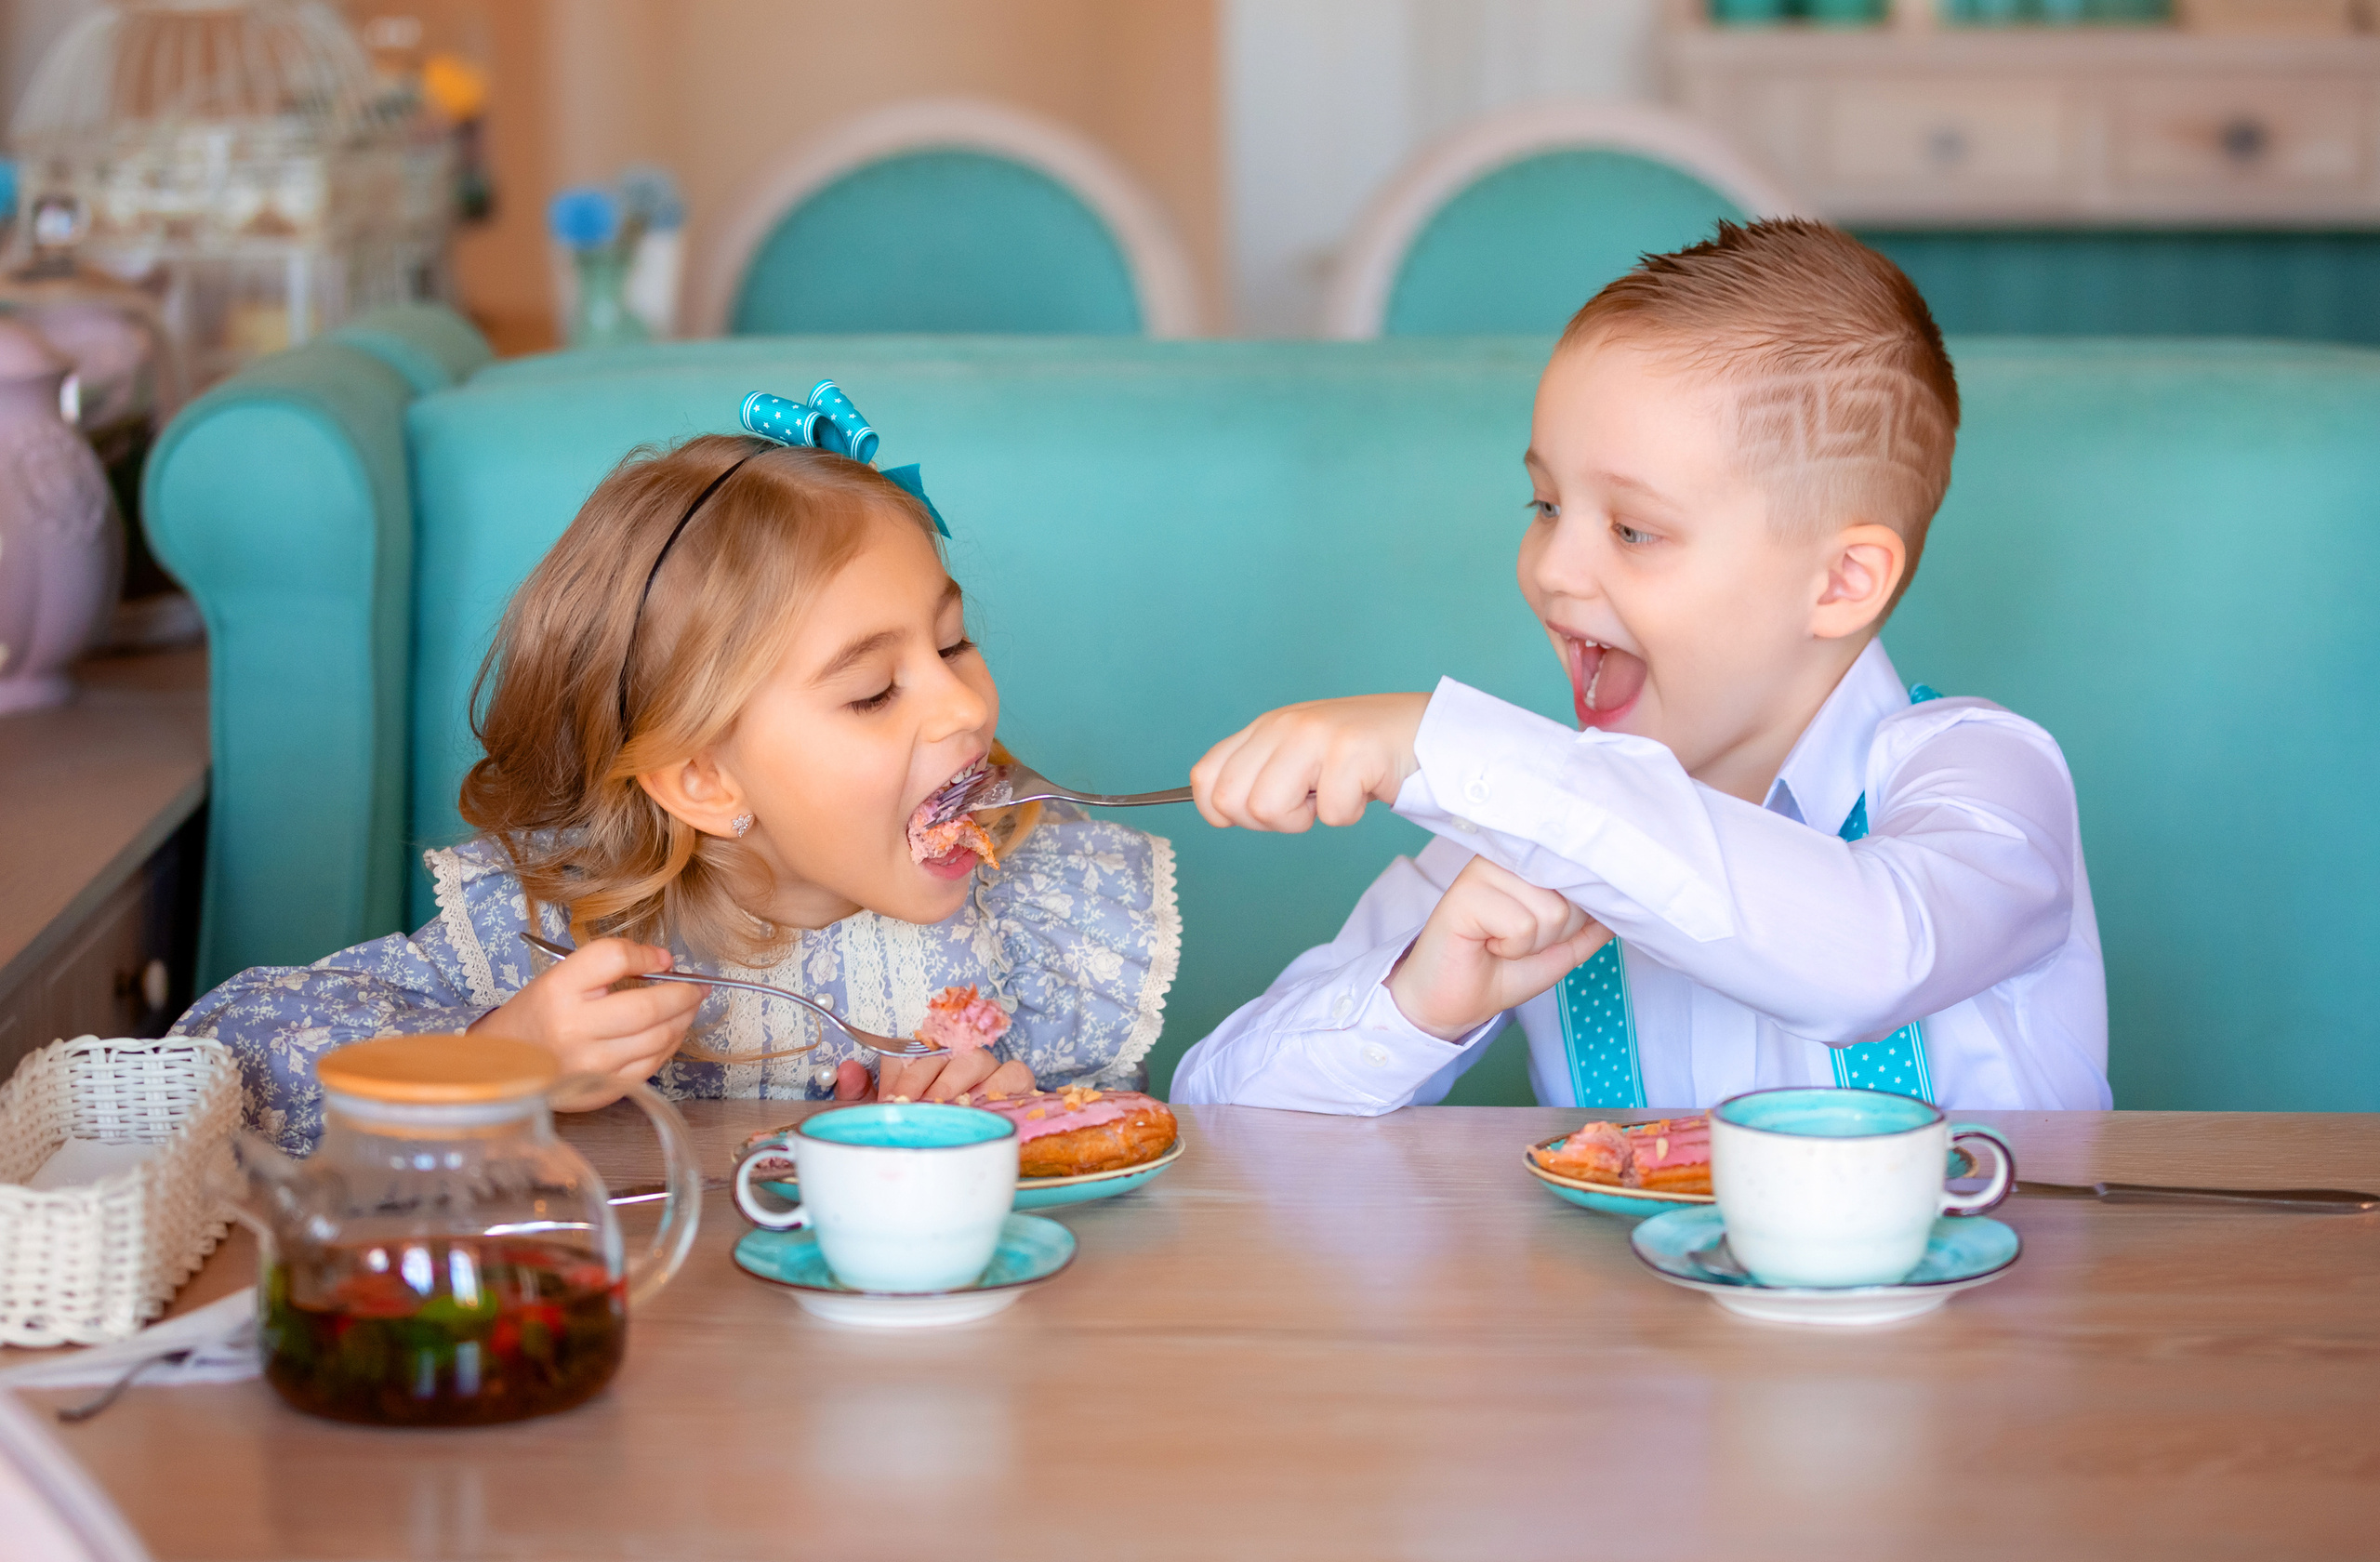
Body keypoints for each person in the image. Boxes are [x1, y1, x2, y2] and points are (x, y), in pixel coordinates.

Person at [1171, 220, 2106, 1115]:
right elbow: (1220, 1105)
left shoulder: (1985, 775)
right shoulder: (1523, 819)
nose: (1549, 569)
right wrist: (1417, 1001)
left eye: (1632, 529)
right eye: (1542, 505)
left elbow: (1876, 955)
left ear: (1839, 582)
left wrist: (1432, 744)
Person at [178, 391, 1179, 1153]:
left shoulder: (1035, 911)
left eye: (953, 645)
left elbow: (1109, 1145)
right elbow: (221, 1061)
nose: (965, 706)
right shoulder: (543, 937)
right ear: (704, 781)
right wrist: (501, 1059)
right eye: (874, 690)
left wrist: (1005, 1129)